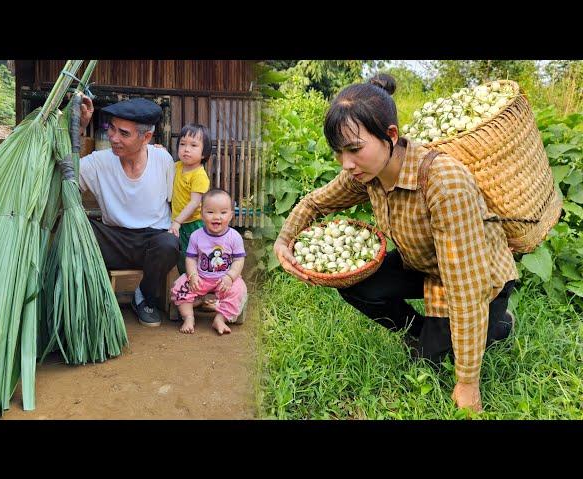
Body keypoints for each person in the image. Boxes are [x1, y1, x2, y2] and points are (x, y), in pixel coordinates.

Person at [273, 73, 518, 413]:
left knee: (433, 366)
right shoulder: (366, 173)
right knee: (358, 285)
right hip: (425, 266)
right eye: (339, 152)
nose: (346, 163)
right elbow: (316, 202)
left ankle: (499, 323)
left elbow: (466, 289)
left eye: (355, 149)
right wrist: (284, 239)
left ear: (391, 135)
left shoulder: (443, 183)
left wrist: (467, 383)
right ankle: (423, 334)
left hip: (478, 279)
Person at [79, 96, 179, 327]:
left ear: (146, 137)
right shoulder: (99, 162)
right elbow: (67, 173)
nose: (113, 138)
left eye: (124, 133)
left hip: (151, 242)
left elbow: (174, 200)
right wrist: (81, 128)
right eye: (111, 129)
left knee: (169, 244)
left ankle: (143, 296)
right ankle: (97, 299)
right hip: (113, 239)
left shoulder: (162, 159)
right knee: (79, 228)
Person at [171, 188, 247, 335]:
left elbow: (239, 260)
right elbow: (191, 258)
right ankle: (189, 317)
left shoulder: (234, 237)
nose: (216, 217)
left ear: (231, 215)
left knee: (239, 290)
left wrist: (230, 276)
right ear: (202, 214)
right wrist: (192, 275)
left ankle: (220, 318)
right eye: (210, 212)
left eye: (223, 212)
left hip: (224, 280)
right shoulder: (196, 236)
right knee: (180, 286)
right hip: (201, 278)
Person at [168, 123, 211, 275]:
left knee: (193, 256)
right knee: (181, 256)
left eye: (193, 145)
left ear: (204, 153)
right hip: (179, 223)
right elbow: (163, 165)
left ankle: (199, 287)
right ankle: (186, 286)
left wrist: (178, 221)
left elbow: (194, 202)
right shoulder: (177, 166)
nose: (186, 149)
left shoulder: (199, 175)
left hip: (193, 224)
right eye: (182, 144)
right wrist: (157, 151)